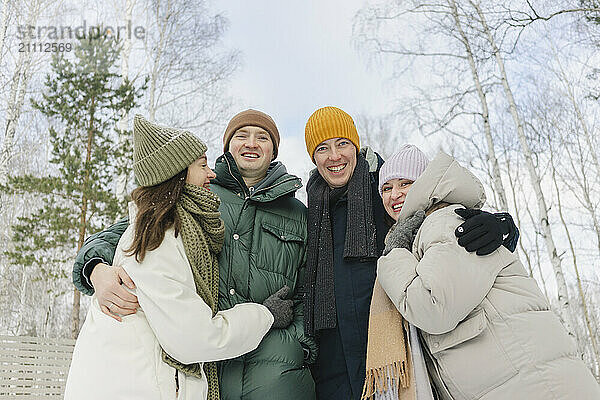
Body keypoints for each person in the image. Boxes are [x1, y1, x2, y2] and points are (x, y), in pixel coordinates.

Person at [71, 110, 316, 400]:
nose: (251, 143)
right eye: (242, 135)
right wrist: (96, 268)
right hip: (208, 370)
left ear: (274, 149)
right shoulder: (193, 201)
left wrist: (299, 345)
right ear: (227, 147)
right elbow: (125, 233)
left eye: (262, 137)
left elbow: (308, 287)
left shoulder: (298, 213)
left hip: (275, 372)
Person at [302, 107, 519, 400]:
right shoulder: (309, 214)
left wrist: (497, 225)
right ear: (313, 158)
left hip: (396, 360)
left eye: (342, 143)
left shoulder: (384, 190)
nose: (335, 155)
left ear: (356, 145)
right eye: (323, 148)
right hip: (333, 372)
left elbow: (439, 211)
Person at [376, 145, 600, 399]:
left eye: (405, 183)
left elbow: (433, 308)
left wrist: (392, 256)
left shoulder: (443, 221)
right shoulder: (422, 231)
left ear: (424, 184)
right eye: (386, 188)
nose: (395, 194)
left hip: (531, 385)